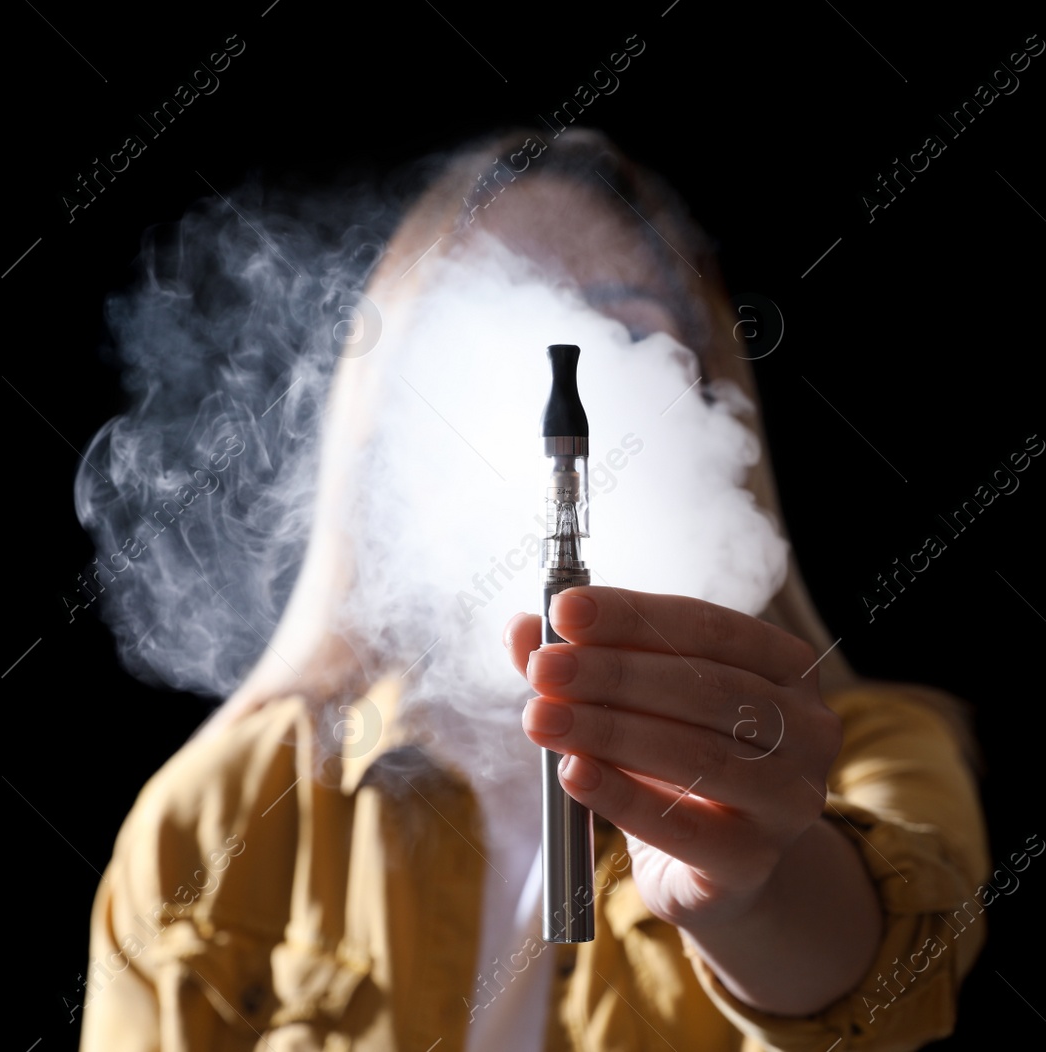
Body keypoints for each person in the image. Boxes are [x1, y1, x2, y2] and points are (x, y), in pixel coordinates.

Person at [77, 128, 989, 1051]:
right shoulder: (222, 812)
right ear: (388, 411)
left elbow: (892, 985)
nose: (564, 355)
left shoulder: (870, 747)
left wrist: (751, 891)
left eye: (622, 320)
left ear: (710, 391)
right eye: (487, 321)